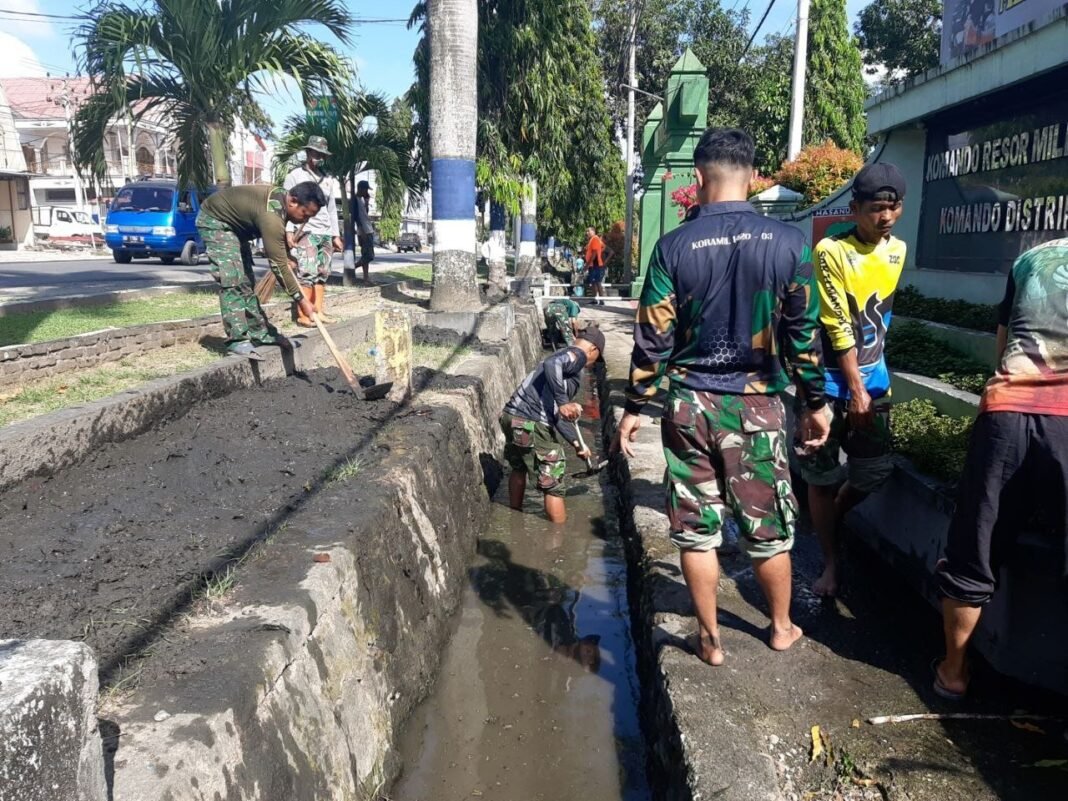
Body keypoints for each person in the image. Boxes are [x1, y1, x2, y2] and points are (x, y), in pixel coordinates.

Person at [613, 127, 830, 665]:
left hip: (689, 404)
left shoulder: (673, 247)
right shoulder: (789, 245)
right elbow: (804, 338)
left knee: (697, 527)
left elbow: (652, 338)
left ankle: (709, 640)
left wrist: (635, 407)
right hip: (757, 405)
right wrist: (816, 403)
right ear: (754, 177)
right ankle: (780, 627)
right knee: (768, 525)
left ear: (698, 178)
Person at [934, 237, 1068, 700]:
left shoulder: (1033, 256)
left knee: (975, 550)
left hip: (1006, 409)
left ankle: (953, 673)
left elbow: (1002, 337)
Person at [800, 163, 908, 597]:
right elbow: (838, 323)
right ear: (855, 207)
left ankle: (833, 520)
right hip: (828, 383)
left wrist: (868, 385)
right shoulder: (831, 251)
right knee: (821, 477)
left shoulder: (897, 250)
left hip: (874, 380)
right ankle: (830, 561)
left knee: (874, 471)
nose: (885, 217)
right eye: (876, 209)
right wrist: (855, 390)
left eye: (893, 208)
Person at [197, 182, 324, 359]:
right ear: (293, 201)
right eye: (304, 214)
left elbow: (278, 246)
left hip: (236, 230)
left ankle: (262, 334)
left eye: (310, 217)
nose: (305, 220)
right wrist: (302, 301)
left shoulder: (283, 201)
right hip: (216, 222)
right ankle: (237, 340)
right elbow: (278, 265)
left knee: (247, 282)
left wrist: (286, 254)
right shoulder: (271, 216)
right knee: (232, 280)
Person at [500, 327, 605, 524]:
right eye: (595, 360)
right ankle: (558, 537)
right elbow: (552, 363)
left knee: (519, 467)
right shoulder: (577, 355)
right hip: (531, 422)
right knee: (554, 485)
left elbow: (555, 415)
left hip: (510, 417)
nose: (590, 365)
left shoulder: (562, 357)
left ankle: (515, 519)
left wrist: (576, 442)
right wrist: (564, 401)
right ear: (593, 350)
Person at [284, 136, 343, 327]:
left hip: (325, 232)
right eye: (315, 153)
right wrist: (288, 231)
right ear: (308, 152)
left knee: (322, 273)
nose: (318, 157)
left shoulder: (327, 179)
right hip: (305, 230)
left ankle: (318, 312)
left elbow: (332, 208)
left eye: (321, 154)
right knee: (306, 272)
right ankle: (304, 314)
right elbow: (286, 205)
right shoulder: (295, 176)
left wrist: (335, 235)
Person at [353, 180, 375, 284]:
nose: (367, 192)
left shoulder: (362, 199)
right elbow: (357, 218)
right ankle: (353, 267)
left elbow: (365, 214)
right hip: (364, 231)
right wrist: (362, 232)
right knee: (369, 256)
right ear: (361, 189)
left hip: (368, 229)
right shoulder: (354, 200)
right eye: (366, 189)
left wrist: (366, 202)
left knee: (365, 255)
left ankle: (366, 278)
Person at [584, 227, 611, 305]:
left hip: (595, 265)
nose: (587, 233)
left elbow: (594, 253)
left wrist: (587, 264)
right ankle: (595, 299)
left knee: (597, 282)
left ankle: (601, 300)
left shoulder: (595, 239)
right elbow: (602, 247)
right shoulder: (593, 240)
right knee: (594, 282)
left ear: (593, 231)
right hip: (593, 265)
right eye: (586, 231)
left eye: (588, 231)